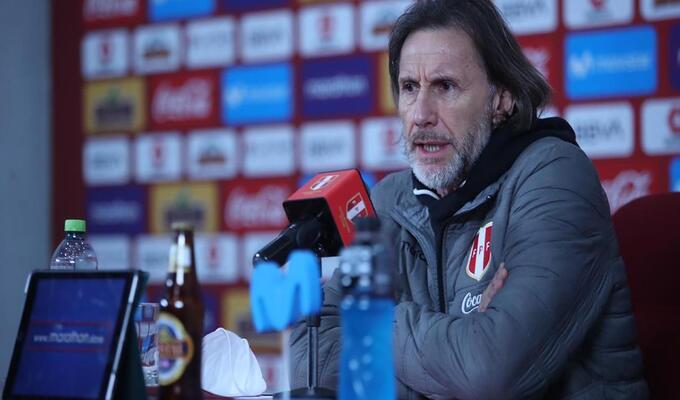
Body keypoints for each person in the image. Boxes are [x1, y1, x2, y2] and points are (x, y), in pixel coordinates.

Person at [289, 0, 649, 398]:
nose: (421, 114)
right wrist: (458, 347)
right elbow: (314, 367)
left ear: (502, 99)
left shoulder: (557, 178)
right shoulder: (390, 201)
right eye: (410, 88)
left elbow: (490, 372)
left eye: (445, 86)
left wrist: (368, 321)